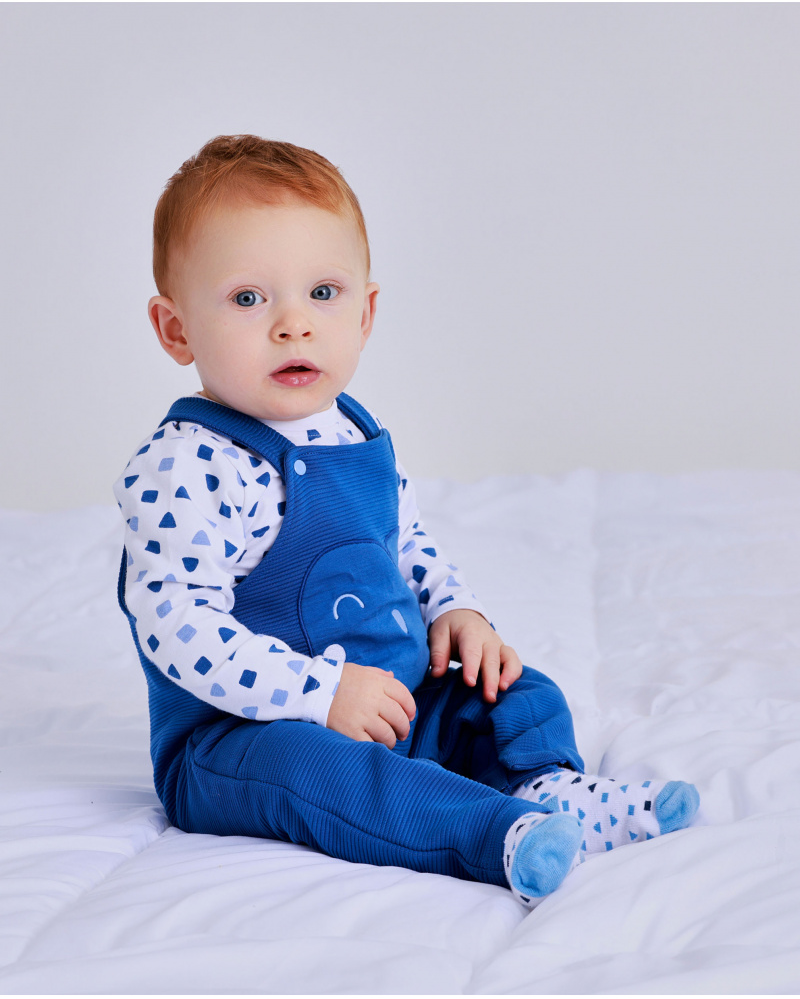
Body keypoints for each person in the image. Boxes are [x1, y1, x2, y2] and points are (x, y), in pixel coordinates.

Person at [114, 135, 699, 907]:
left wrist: (456, 610)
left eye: (323, 293)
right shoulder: (183, 466)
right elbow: (175, 625)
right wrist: (319, 695)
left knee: (516, 689)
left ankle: (550, 786)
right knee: (320, 770)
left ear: (366, 311)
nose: (294, 324)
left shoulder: (353, 430)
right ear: (176, 329)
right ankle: (494, 833)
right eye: (249, 299)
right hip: (243, 737)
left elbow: (404, 543)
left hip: (387, 697)